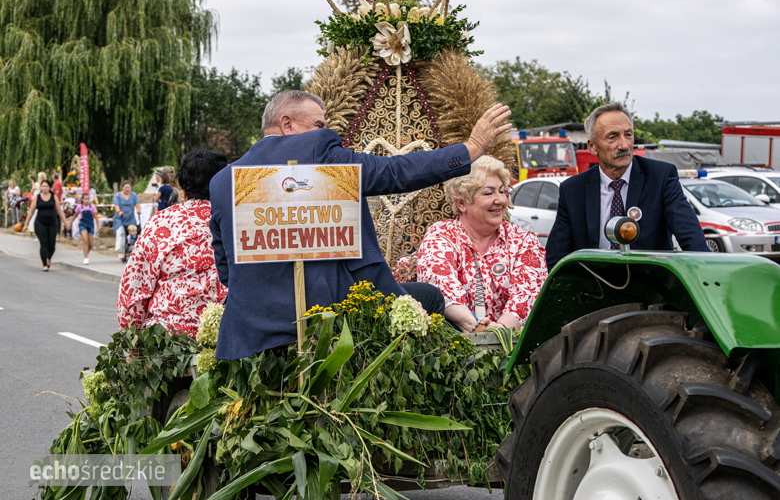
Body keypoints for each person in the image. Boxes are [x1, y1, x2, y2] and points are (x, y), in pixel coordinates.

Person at [209, 90, 512, 360]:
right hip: (331, 326)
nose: (324, 130)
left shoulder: (222, 182)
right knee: (430, 296)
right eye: (318, 124)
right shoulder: (316, 150)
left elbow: (226, 272)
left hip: (250, 335)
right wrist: (471, 148)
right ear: (287, 124)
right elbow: (395, 171)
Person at [545, 102, 708, 268]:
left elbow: (694, 243)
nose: (623, 145)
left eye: (628, 135)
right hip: (594, 289)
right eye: (612, 137)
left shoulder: (661, 178)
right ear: (592, 147)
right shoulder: (573, 190)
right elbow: (555, 260)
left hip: (649, 288)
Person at [417, 156, 548, 334]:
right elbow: (441, 286)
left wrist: (499, 332)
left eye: (503, 192)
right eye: (489, 193)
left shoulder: (523, 240)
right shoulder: (441, 236)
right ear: (461, 202)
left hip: (513, 348)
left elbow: (527, 295)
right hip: (455, 347)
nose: (501, 200)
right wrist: (474, 326)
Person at [118, 150, 229, 338]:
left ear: (183, 190)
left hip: (168, 341)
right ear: (224, 184)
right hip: (227, 338)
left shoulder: (160, 223)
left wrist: (132, 341)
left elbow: (134, 288)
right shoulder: (237, 220)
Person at [22, 180, 68, 271]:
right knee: (44, 244)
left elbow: (59, 211)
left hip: (52, 223)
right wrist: (25, 224)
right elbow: (31, 211)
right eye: (43, 186)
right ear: (41, 187)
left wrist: (66, 223)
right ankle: (44, 264)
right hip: (40, 223)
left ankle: (49, 258)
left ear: (49, 187)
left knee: (52, 245)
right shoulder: (37, 197)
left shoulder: (53, 197)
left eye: (47, 186)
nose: (45, 188)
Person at [113, 181, 141, 261]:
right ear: (122, 188)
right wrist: (119, 212)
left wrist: (138, 210)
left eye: (129, 187)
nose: (127, 189)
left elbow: (137, 204)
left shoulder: (134, 195)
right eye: (126, 188)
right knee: (121, 234)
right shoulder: (118, 196)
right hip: (121, 218)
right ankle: (121, 252)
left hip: (130, 218)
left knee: (132, 235)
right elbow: (116, 206)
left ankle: (129, 252)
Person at [68, 193, 98, 265]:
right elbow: (75, 215)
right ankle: (85, 258)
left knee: (90, 243)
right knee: (85, 240)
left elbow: (96, 217)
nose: (87, 200)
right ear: (82, 199)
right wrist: (70, 223)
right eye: (85, 199)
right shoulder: (79, 207)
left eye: (88, 199)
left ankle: (86, 253)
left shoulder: (92, 207)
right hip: (82, 224)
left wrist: (97, 227)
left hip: (90, 224)